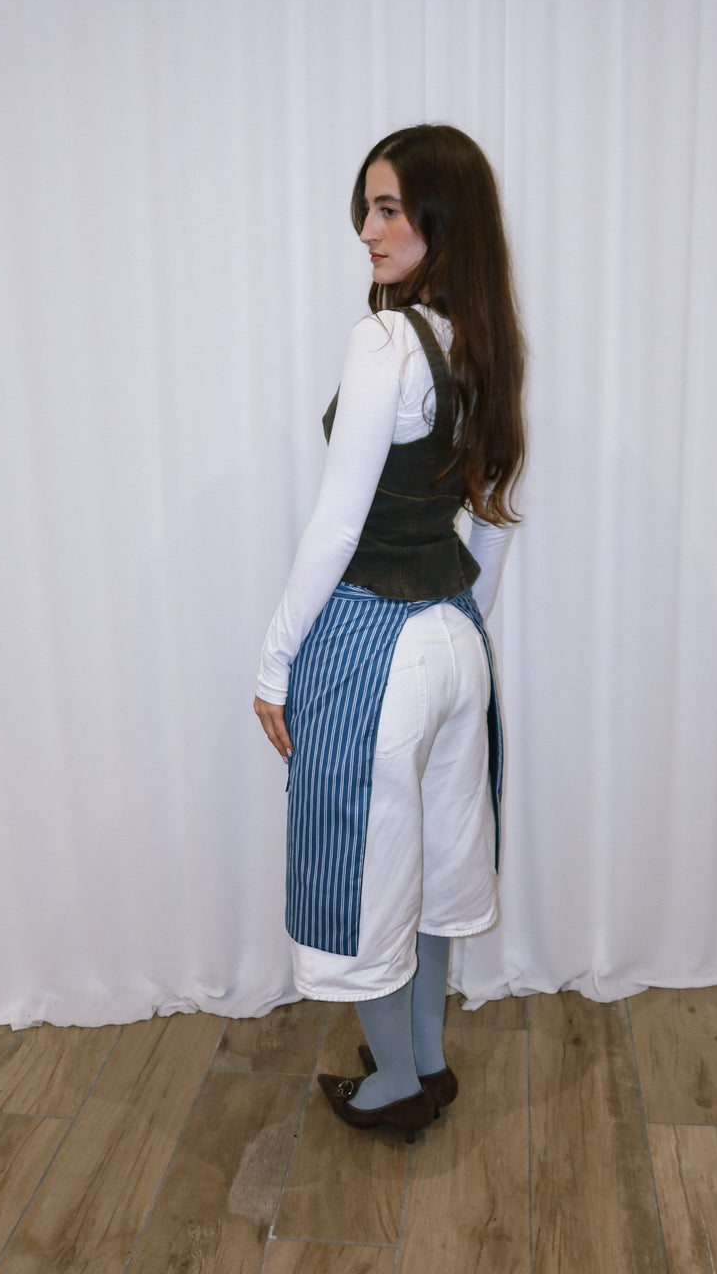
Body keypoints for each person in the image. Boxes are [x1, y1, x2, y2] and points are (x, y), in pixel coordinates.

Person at [254, 123, 525, 1143]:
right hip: (457, 642)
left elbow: (335, 522)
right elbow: (493, 520)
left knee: (363, 868)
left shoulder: (385, 342)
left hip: (373, 642)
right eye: (367, 208)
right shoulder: (481, 342)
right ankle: (428, 1062)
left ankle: (395, 1089)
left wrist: (274, 659)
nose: (368, 230)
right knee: (437, 862)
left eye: (389, 209)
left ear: (440, 220)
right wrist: (457, 628)